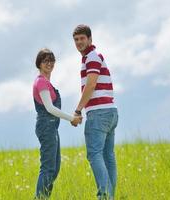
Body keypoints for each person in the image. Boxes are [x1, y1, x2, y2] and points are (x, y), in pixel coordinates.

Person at [71, 24, 119, 200]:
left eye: (82, 38)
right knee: (108, 157)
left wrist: (77, 110)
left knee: (94, 155)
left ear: (90, 39)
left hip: (99, 113)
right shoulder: (92, 57)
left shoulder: (92, 57)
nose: (79, 42)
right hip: (110, 112)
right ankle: (110, 196)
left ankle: (104, 197)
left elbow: (90, 85)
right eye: (76, 40)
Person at [33, 48, 82, 199]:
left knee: (54, 169)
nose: (49, 63)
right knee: (48, 168)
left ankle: (43, 197)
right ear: (39, 64)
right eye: (45, 61)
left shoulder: (47, 83)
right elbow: (50, 108)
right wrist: (71, 118)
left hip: (52, 128)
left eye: (51, 60)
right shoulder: (41, 82)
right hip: (46, 127)